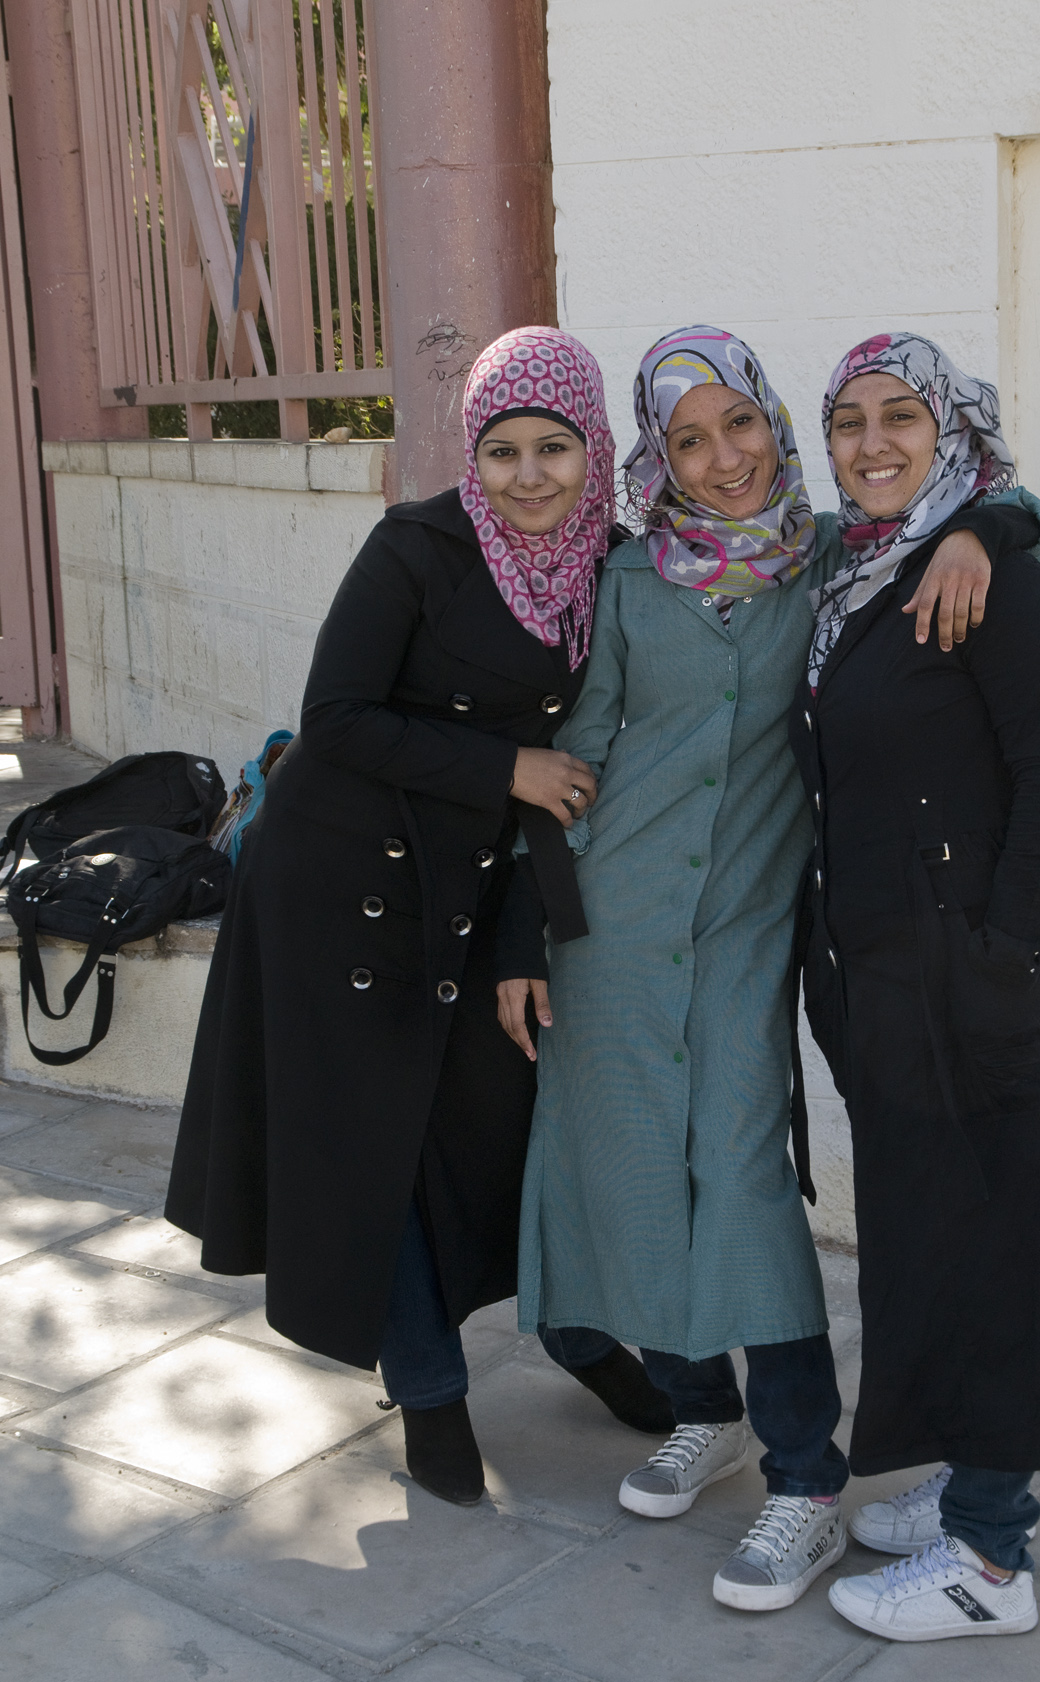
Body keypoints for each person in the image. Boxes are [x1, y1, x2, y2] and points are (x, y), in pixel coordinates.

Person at [501, 326, 1040, 1610]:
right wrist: (528, 930)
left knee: (742, 1176)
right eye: (689, 439)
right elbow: (574, 760)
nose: (723, 458)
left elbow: (1014, 505)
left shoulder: (840, 554)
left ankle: (805, 1478)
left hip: (751, 926)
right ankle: (705, 1408)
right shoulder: (628, 575)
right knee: (631, 1167)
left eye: (739, 424)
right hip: (614, 926)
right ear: (661, 455)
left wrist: (988, 531)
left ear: (774, 423)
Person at [164, 327, 675, 1511]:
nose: (529, 476)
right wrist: (505, 766)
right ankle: (431, 1385)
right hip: (338, 877)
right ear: (471, 453)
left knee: (512, 1116)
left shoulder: (615, 563)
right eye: (502, 450)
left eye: (554, 447)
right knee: (374, 1132)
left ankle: (576, 1329)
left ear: (596, 449)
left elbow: (587, 754)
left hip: (481, 878)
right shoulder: (416, 547)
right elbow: (335, 716)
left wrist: (990, 526)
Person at [789, 332, 1040, 1642]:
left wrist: (1008, 953)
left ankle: (989, 1557)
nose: (872, 443)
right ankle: (975, 1471)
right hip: (888, 976)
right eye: (849, 421)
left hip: (975, 973)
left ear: (952, 430)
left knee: (1001, 1240)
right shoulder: (857, 570)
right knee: (933, 1235)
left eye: (901, 417)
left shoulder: (997, 581)